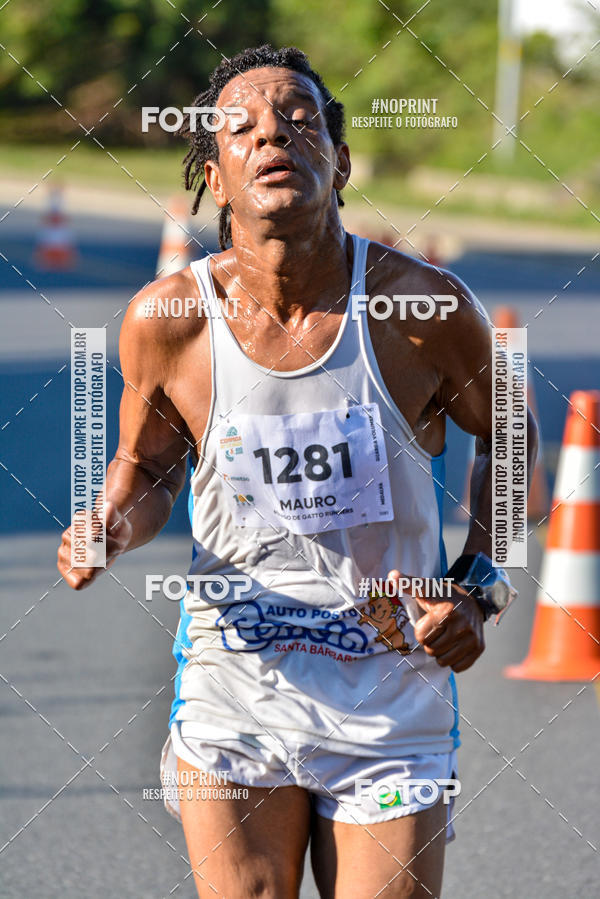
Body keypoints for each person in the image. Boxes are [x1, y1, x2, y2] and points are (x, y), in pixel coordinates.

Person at [58, 44, 538, 899]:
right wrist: (109, 526)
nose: (272, 135)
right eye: (241, 129)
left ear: (340, 161)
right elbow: (147, 467)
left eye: (300, 120)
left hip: (390, 684)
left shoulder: (419, 309)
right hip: (238, 680)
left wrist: (478, 582)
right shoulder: (170, 321)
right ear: (214, 174)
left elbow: (512, 436)